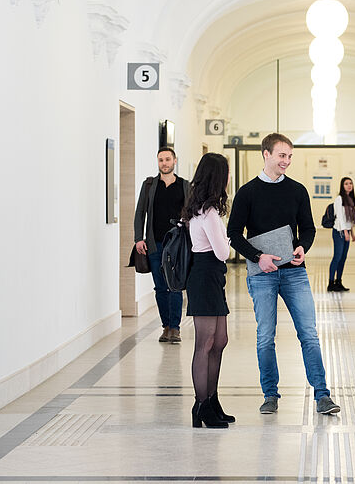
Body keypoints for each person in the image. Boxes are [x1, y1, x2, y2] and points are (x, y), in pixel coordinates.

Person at [226, 133, 340, 416]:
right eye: (281, 155)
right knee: (265, 336)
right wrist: (257, 257)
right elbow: (233, 234)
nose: (286, 161)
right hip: (261, 274)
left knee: (309, 335)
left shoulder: (297, 190)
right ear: (266, 154)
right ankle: (270, 395)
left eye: (289, 156)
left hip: (294, 273)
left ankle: (322, 395)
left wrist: (303, 247)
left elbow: (309, 229)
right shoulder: (247, 192)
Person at [182, 153, 233, 429]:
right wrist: (227, 238)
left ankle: (212, 400)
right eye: (226, 173)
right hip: (204, 275)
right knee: (205, 343)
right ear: (217, 177)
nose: (229, 179)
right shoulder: (208, 212)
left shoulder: (203, 209)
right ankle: (201, 404)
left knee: (220, 339)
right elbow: (223, 252)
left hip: (213, 277)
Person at [134, 147, 190, 343]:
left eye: (167, 159)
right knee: (160, 288)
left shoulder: (185, 186)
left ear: (175, 161)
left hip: (177, 244)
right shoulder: (149, 185)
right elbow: (140, 212)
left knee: (174, 286)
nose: (164, 163)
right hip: (154, 244)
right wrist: (138, 238)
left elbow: (191, 215)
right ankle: (165, 326)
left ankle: (175, 328)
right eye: (160, 160)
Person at [327, 176, 355, 292]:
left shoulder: (351, 199)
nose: (349, 185)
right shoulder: (339, 199)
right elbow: (340, 218)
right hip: (339, 231)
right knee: (337, 257)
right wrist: (345, 232)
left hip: (347, 231)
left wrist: (351, 232)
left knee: (343, 258)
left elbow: (349, 219)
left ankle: (338, 282)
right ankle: (331, 283)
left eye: (350, 183)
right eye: (346, 184)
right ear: (342, 186)